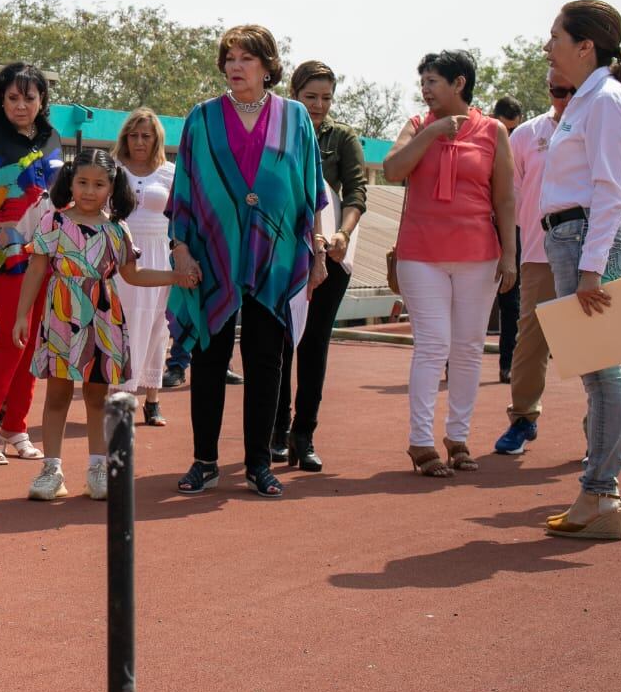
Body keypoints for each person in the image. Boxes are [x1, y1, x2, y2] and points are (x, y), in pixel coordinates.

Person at [168, 25, 327, 499]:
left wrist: (318, 252)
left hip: (276, 254)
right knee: (209, 356)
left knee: (266, 360)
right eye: (230, 58)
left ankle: (259, 463)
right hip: (211, 253)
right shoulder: (201, 118)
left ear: (268, 66)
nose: (235, 67)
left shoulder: (296, 118)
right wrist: (180, 248)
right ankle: (205, 461)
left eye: (246, 59)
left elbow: (310, 190)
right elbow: (184, 188)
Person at [12, 150, 195, 500]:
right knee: (57, 395)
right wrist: (22, 315)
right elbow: (36, 269)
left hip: (102, 317)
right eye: (82, 182)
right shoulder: (53, 221)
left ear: (112, 187)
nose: (89, 191)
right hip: (61, 315)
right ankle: (51, 471)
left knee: (97, 397)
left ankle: (98, 470)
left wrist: (175, 276)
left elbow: (133, 274)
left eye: (99, 184)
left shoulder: (117, 229)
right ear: (70, 182)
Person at [383, 50, 516, 478]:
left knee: (468, 348)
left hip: (479, 256)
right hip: (420, 255)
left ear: (459, 83)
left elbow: (505, 198)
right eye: (422, 82)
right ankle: (421, 441)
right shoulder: (416, 124)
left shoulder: (493, 131)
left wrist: (510, 254)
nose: (425, 89)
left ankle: (458, 437)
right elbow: (392, 169)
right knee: (433, 345)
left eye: (433, 81)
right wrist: (432, 132)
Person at [538, 0, 621, 541]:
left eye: (555, 36)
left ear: (585, 46)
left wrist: (592, 269)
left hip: (585, 241)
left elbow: (610, 189)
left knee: (603, 372)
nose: (547, 46)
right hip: (572, 237)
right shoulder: (590, 99)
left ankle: (601, 493)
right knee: (596, 371)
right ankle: (598, 492)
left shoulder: (605, 100)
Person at [0, 62, 65, 465]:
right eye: (13, 98)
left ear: (42, 100)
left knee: (34, 343)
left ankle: (16, 426)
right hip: (3, 257)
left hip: (48, 255)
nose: (21, 105)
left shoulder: (52, 138)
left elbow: (61, 197)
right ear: (0, 100)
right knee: (10, 340)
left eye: (29, 97)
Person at [273, 61, 368, 471]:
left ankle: (304, 434)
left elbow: (357, 191)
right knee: (278, 343)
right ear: (293, 94)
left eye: (326, 98)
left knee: (314, 344)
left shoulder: (342, 137)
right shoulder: (274, 132)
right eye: (310, 96)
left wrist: (342, 234)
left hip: (329, 254)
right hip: (280, 254)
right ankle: (276, 430)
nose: (318, 105)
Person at [492, 69, 576, 454]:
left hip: (595, 253)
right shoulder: (526, 135)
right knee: (530, 340)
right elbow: (509, 198)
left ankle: (605, 432)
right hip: (540, 254)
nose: (565, 98)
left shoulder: (602, 126)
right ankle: (523, 418)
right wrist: (509, 251)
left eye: (572, 90)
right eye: (558, 90)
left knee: (603, 344)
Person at [109, 109, 178, 425]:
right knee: (121, 326)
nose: (139, 142)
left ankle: (153, 401)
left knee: (157, 326)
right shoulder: (113, 170)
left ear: (156, 139)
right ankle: (120, 398)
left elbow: (182, 216)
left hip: (159, 255)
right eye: (133, 135)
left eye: (146, 136)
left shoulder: (171, 173)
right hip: (120, 255)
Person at [490, 95, 526, 383]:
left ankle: (508, 364)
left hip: (514, 229)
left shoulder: (524, 144)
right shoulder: (481, 141)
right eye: (505, 128)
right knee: (467, 297)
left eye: (514, 129)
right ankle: (454, 362)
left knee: (511, 301)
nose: (510, 135)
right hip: (481, 227)